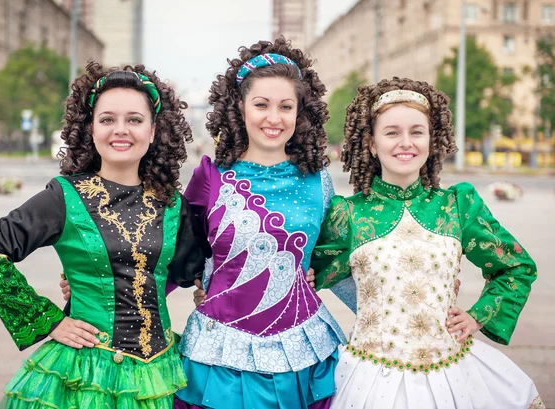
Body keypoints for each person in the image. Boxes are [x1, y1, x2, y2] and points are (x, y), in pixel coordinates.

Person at [0, 62, 207, 409]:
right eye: (107, 119)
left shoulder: (172, 205)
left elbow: (196, 271)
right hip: (85, 374)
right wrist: (49, 320)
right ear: (91, 128)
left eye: (134, 120)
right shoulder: (64, 197)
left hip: (162, 372)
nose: (120, 130)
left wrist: (301, 271)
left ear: (154, 131)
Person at [311, 77, 542, 408]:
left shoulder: (457, 205)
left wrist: (479, 315)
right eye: (392, 132)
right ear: (372, 143)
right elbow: (302, 279)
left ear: (432, 140)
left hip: (454, 374)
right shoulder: (347, 215)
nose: (405, 142)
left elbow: (516, 266)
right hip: (371, 379)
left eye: (417, 131)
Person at [171, 37, 346, 409]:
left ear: (301, 112)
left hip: (303, 355)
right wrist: (104, 287)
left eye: (286, 106)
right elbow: (172, 251)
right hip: (219, 357)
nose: (274, 118)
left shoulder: (319, 182)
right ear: (240, 107)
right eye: (261, 105)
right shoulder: (210, 177)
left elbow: (344, 261)